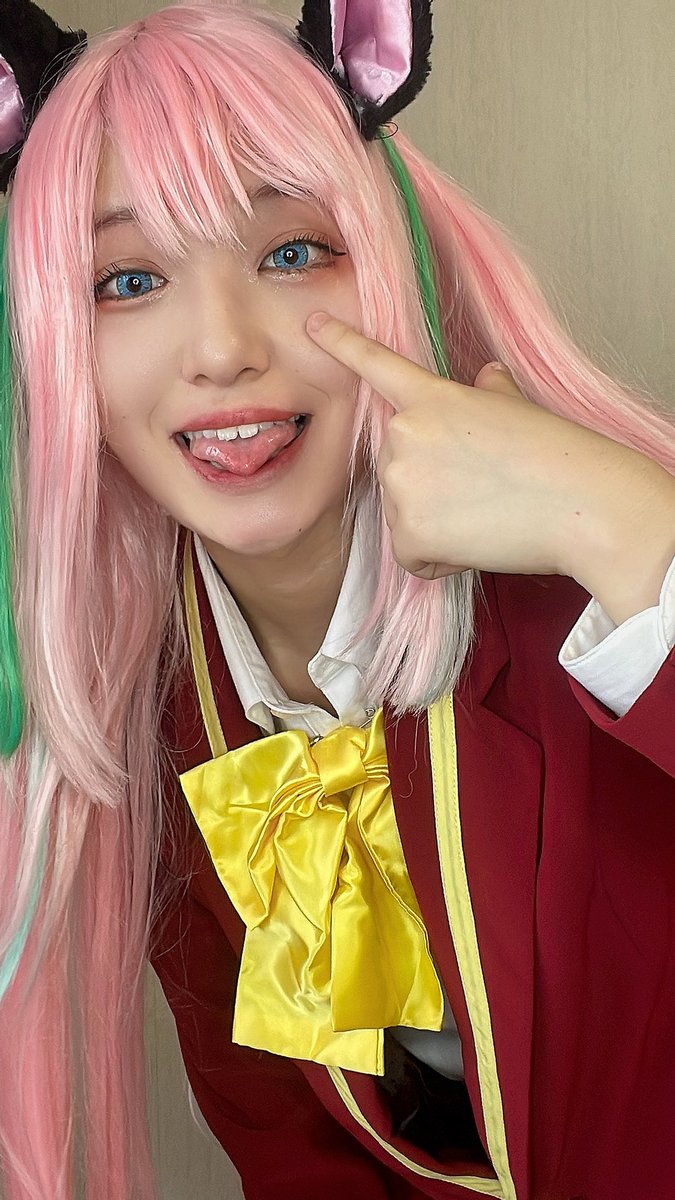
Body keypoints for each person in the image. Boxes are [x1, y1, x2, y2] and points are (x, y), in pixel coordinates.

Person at [0, 3, 674, 1198]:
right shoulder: (163, 713)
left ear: (390, 254)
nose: (221, 348)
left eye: (293, 251)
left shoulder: (588, 586)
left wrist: (632, 529)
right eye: (129, 278)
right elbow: (299, 1152)